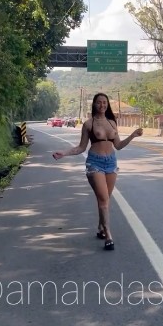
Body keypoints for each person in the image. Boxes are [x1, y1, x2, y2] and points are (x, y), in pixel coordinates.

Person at [52, 93, 143, 251]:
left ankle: (101, 226)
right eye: (99, 103)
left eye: (104, 103)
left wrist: (133, 136)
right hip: (95, 163)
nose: (102, 105)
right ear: (94, 105)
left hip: (111, 163)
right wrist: (64, 153)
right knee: (103, 199)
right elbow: (81, 147)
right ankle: (108, 235)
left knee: (105, 199)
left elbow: (119, 145)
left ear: (107, 105)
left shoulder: (112, 122)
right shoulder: (89, 124)